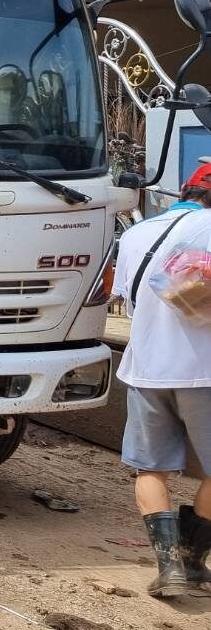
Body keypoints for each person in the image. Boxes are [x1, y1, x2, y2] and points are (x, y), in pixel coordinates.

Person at [111, 162, 211, 598]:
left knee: (151, 468)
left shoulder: (136, 234)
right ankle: (193, 561)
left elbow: (124, 300)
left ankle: (168, 568)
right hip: (205, 372)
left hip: (146, 369)